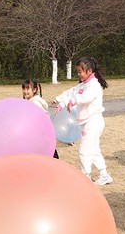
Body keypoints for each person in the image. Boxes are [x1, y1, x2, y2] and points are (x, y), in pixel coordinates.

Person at [52, 56, 113, 185]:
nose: (79, 74)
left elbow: (86, 97)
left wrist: (72, 101)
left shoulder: (94, 85)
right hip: (87, 122)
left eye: (81, 71)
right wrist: (60, 102)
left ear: (89, 71)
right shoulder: (82, 85)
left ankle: (86, 178)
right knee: (94, 149)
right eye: (78, 71)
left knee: (84, 151)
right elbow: (71, 93)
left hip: (93, 122)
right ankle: (104, 175)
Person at [22, 79, 59, 159]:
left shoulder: (36, 103)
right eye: (24, 89)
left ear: (34, 90)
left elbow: (39, 119)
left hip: (43, 134)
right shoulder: (30, 101)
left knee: (48, 155)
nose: (25, 91)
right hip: (39, 134)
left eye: (27, 89)